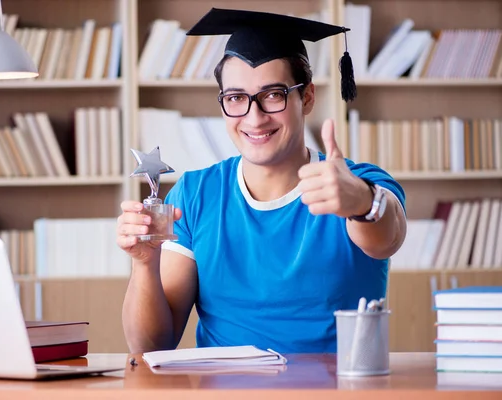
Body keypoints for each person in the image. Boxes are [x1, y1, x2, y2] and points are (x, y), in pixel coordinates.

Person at [117, 8, 407, 354]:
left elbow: (386, 239)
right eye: (236, 98)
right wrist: (144, 263)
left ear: (307, 97)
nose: (254, 118)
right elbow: (150, 346)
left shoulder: (356, 182)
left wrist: (362, 202)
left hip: (338, 388)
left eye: (273, 95)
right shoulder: (195, 194)